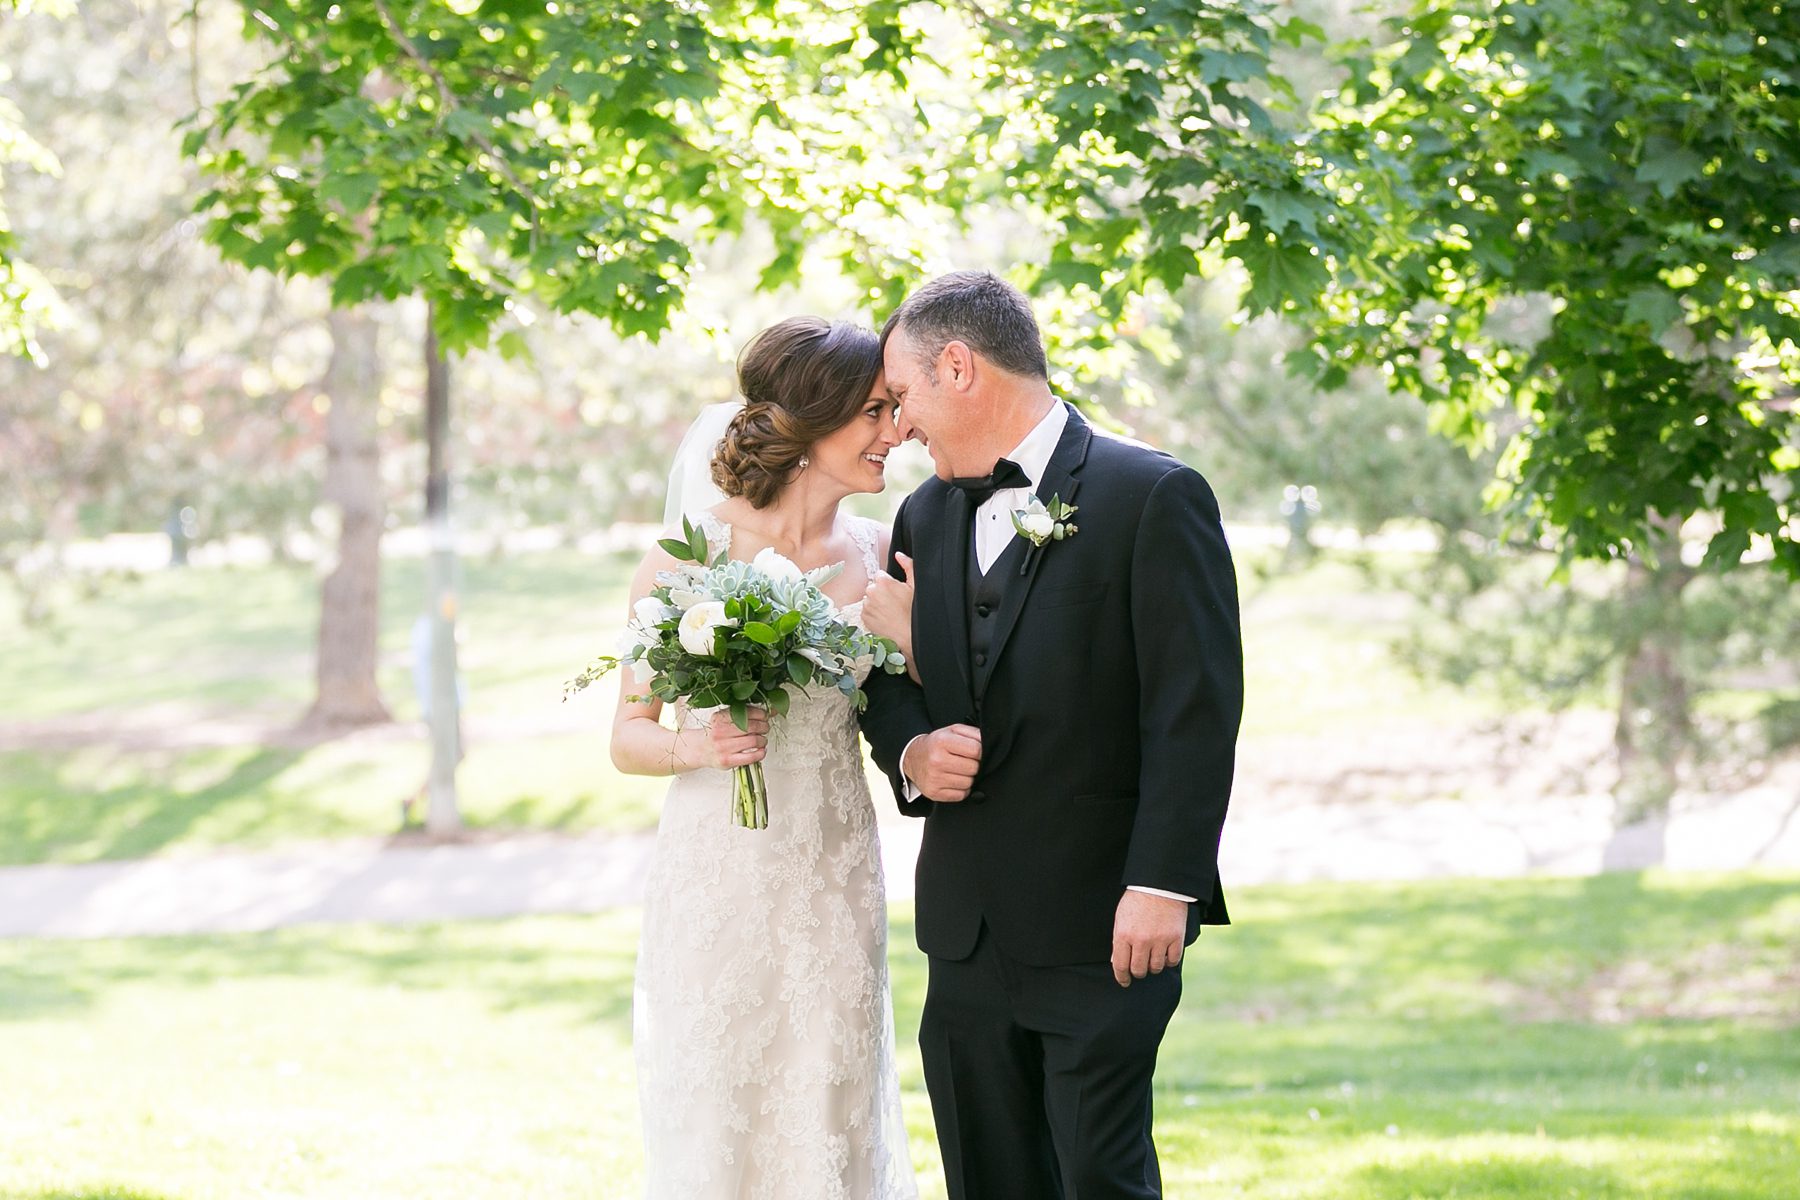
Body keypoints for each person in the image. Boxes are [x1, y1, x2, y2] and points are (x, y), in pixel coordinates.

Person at [858, 271, 1244, 1199]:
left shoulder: (1153, 496)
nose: (899, 426)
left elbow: (1194, 713)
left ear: (958, 368)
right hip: (967, 933)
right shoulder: (923, 515)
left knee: (1100, 1180)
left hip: (1103, 922)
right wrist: (910, 750)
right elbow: (892, 683)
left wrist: (1163, 885)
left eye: (903, 396)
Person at [610, 317, 917, 1199]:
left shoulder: (875, 554)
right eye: (873, 412)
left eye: (895, 410)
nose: (894, 434)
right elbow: (629, 737)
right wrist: (697, 743)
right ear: (812, 423)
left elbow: (906, 701)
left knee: (830, 1099)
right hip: (722, 876)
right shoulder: (687, 562)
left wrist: (911, 641)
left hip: (836, 873)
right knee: (724, 1108)